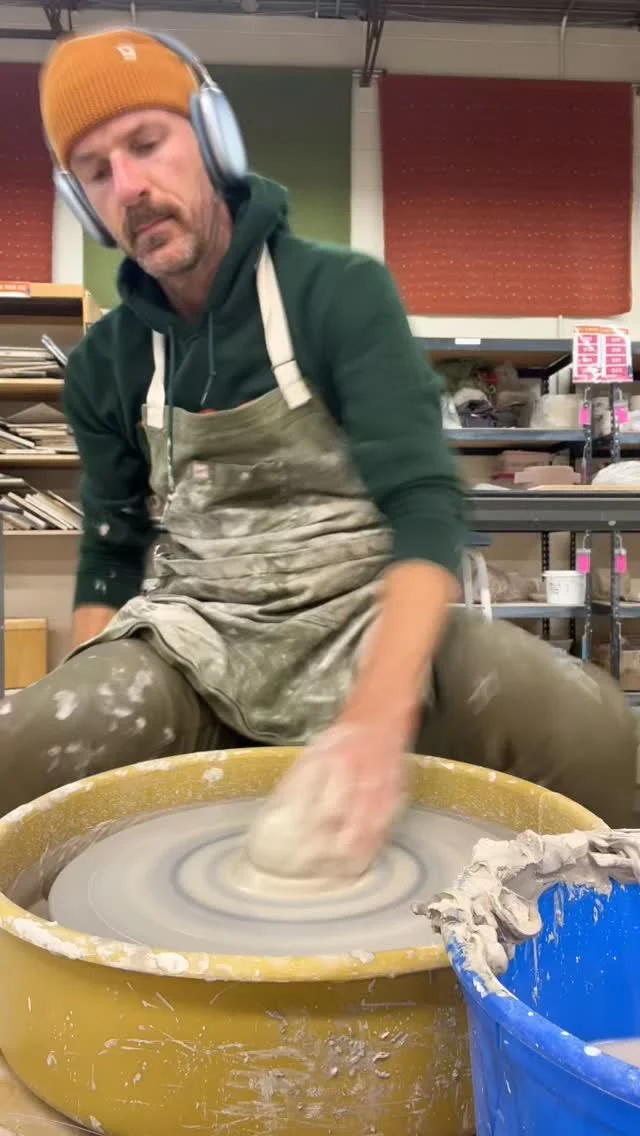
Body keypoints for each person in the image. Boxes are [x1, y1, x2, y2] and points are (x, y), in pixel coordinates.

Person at [0, 27, 636, 870]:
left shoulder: (337, 292)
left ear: (213, 138)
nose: (130, 187)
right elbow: (112, 552)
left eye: (147, 144)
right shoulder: (105, 363)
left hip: (369, 620)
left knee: (593, 730)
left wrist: (374, 721)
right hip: (198, 641)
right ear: (81, 201)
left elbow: (425, 507)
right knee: (29, 750)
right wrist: (93, 734)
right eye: (95, 170)